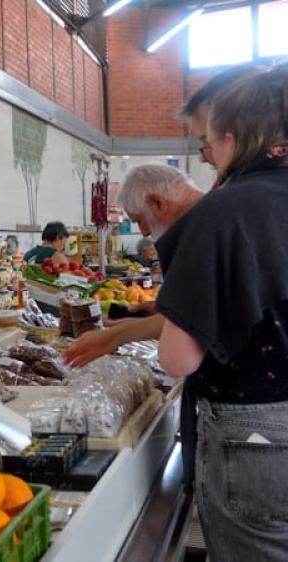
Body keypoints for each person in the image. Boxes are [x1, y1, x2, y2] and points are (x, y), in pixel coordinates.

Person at [153, 63, 288, 561]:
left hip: (258, 442)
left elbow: (177, 358)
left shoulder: (225, 211)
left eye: (207, 144)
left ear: (230, 139)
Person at [63, 63, 263, 370]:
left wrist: (118, 336)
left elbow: (178, 357)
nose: (202, 156)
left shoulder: (217, 215)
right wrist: (154, 318)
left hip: (244, 398)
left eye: (205, 142)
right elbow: (212, 314)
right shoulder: (254, 198)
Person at [62, 165, 204, 368]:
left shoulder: (206, 233)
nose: (144, 232)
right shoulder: (201, 227)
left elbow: (192, 320)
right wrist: (153, 318)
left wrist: (112, 336)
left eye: (140, 220)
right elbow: (194, 312)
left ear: (158, 203)